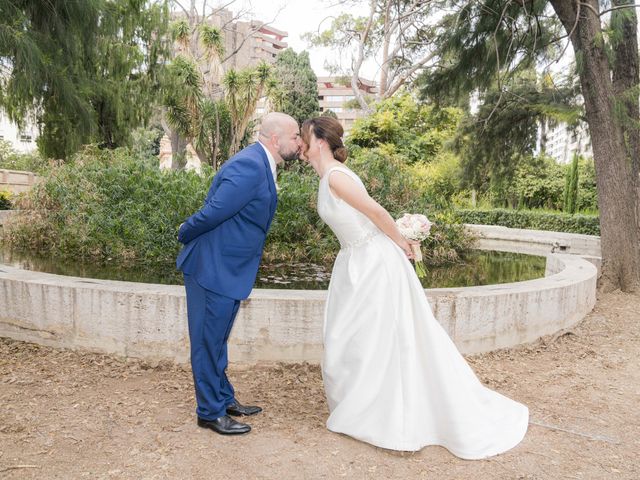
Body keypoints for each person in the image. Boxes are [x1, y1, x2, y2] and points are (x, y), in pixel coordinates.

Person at [300, 116, 528, 458]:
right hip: (355, 262)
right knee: (359, 338)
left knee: (382, 338)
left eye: (304, 137)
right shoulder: (328, 177)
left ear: (319, 141)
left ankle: (389, 413)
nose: (300, 144)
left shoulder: (335, 176)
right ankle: (369, 405)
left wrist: (403, 242)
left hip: (373, 264)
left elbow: (376, 212)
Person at [176, 112, 301, 435]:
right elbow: (215, 211)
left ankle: (224, 398)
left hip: (228, 269)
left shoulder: (261, 164)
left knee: (218, 340)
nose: (299, 142)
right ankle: (209, 412)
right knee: (207, 342)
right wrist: (184, 231)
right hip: (211, 268)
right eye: (295, 136)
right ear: (276, 140)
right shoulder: (250, 165)